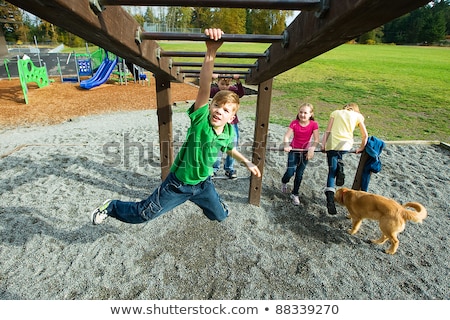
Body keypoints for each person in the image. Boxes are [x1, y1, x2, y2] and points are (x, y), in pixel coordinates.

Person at [90, 28, 261, 226]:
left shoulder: (228, 131)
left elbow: (228, 148)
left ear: (232, 118)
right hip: (177, 185)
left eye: (226, 110)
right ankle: (111, 207)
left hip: (204, 185)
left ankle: (214, 205)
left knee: (220, 216)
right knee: (144, 214)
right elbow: (205, 86)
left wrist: (246, 162)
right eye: (216, 106)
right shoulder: (200, 122)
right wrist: (211, 52)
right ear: (209, 107)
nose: (219, 111)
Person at [322, 102, 368, 215]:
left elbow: (327, 131)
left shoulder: (335, 113)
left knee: (331, 173)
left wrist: (323, 144)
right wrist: (361, 147)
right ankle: (340, 165)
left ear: (345, 108)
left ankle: (330, 196)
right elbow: (365, 135)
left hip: (332, 144)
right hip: (345, 145)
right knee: (339, 157)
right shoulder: (358, 116)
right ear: (356, 110)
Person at [280, 103, 319, 205]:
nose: (302, 115)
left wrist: (312, 148)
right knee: (290, 172)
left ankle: (295, 193)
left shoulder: (313, 124)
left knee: (299, 174)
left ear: (310, 114)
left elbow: (316, 139)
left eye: (305, 113)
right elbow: (287, 136)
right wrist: (286, 145)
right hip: (294, 150)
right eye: (301, 112)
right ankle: (284, 181)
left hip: (305, 152)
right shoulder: (294, 123)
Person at [210, 75, 245, 179]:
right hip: (219, 123)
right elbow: (205, 90)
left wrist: (238, 80)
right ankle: (214, 168)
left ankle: (229, 168)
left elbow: (241, 93)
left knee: (232, 144)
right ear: (217, 82)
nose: (225, 87)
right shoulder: (215, 91)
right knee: (217, 144)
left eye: (227, 84)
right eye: (222, 84)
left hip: (231, 122)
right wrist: (210, 79)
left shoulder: (232, 90)